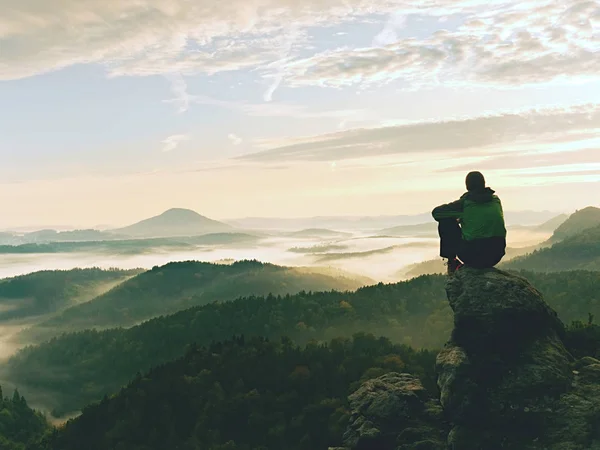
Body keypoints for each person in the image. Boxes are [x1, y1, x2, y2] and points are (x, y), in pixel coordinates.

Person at [432, 171, 507, 275]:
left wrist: (456, 218)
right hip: (496, 254)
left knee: (446, 222)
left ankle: (452, 262)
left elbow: (436, 213)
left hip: (472, 256)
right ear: (484, 183)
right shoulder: (495, 200)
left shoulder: (464, 204)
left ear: (467, 186)